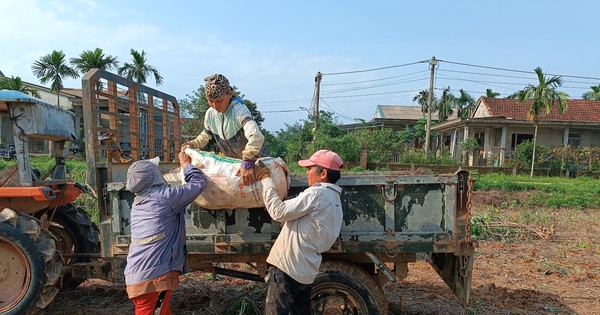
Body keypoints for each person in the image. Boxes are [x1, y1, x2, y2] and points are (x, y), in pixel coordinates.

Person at [258, 149, 344, 315]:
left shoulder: (317, 193)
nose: (307, 173)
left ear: (323, 173)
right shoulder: (334, 200)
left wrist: (266, 180)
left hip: (288, 268)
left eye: (310, 168)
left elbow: (278, 212)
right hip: (306, 271)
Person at [124, 149, 208, 315]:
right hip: (153, 277)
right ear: (153, 177)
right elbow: (198, 184)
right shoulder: (164, 198)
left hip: (140, 275)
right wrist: (186, 165)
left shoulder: (138, 202)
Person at [183, 73, 269, 186]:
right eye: (210, 101)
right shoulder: (210, 114)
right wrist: (193, 144)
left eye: (219, 101)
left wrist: (248, 160)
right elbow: (205, 136)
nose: (215, 105)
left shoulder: (240, 111)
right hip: (234, 165)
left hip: (257, 161)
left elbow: (256, 136)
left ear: (229, 94)